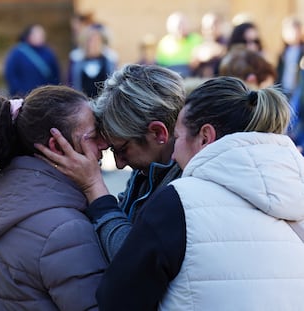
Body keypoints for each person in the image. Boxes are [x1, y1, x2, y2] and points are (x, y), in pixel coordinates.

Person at [96, 76, 304, 311]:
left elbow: (115, 299)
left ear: (205, 137)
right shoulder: (294, 188)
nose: (173, 154)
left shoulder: (178, 201)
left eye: (179, 136)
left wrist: (95, 193)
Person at [0, 85, 109, 310]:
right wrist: (96, 188)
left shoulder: (11, 196)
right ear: (57, 146)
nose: (104, 145)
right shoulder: (65, 230)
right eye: (93, 137)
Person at [35, 64, 186, 261]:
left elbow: (132, 262)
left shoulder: (186, 184)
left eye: (122, 150)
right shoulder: (151, 169)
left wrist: (93, 187)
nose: (120, 164)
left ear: (158, 133)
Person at [4, 24, 60, 97]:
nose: (41, 37)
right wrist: (18, 92)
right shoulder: (17, 53)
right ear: (29, 36)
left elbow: (55, 74)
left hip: (45, 96)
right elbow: (11, 74)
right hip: (24, 96)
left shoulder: (48, 53)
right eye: (38, 34)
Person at [276, 16, 304, 154]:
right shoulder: (282, 53)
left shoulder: (302, 51)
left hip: (298, 90)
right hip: (284, 90)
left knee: (296, 116)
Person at [67, 23, 117, 98]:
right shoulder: (76, 59)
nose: (93, 43)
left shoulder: (109, 60)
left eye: (96, 40)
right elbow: (70, 83)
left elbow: (114, 83)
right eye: (90, 40)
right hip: (81, 102)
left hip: (103, 104)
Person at [155, 11, 203, 78]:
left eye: (182, 24)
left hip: (190, 73)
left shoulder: (196, 39)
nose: (180, 28)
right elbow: (159, 64)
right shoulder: (164, 42)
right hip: (169, 74)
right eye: (178, 26)